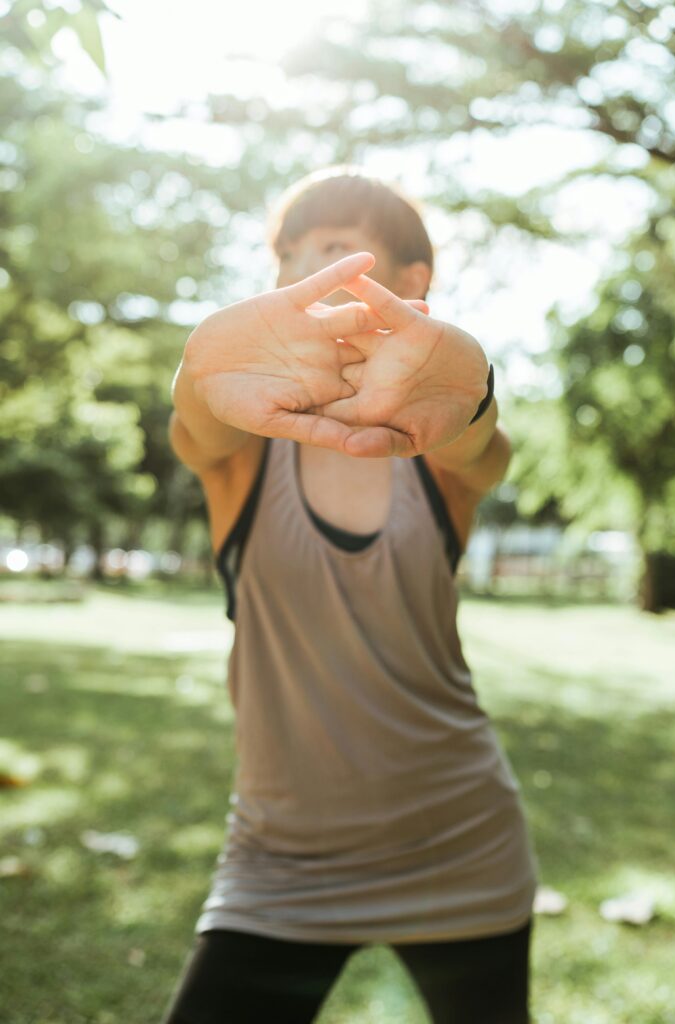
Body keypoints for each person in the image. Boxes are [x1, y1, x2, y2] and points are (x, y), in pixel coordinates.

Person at [162, 168, 537, 1024]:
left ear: (413, 284)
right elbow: (198, 425)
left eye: (333, 249)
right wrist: (196, 377)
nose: (302, 271)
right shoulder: (245, 457)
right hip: (279, 862)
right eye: (293, 255)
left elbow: (484, 453)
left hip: (460, 843)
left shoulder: (435, 454)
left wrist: (472, 404)